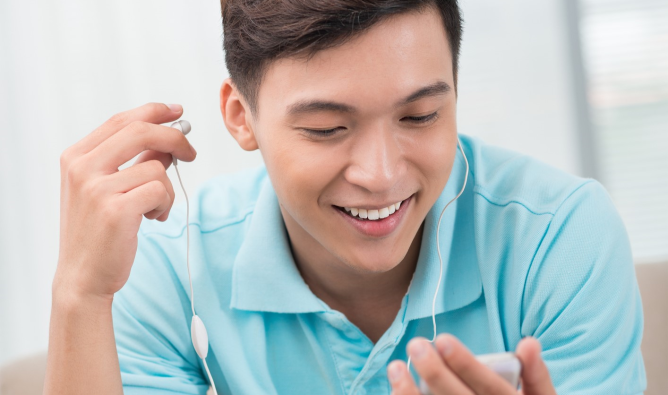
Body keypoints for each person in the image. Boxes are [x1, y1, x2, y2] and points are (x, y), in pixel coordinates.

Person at [44, 1, 647, 394]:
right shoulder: (170, 269)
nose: (381, 175)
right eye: (327, 128)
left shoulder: (559, 240)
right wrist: (78, 293)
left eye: (421, 114)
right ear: (241, 116)